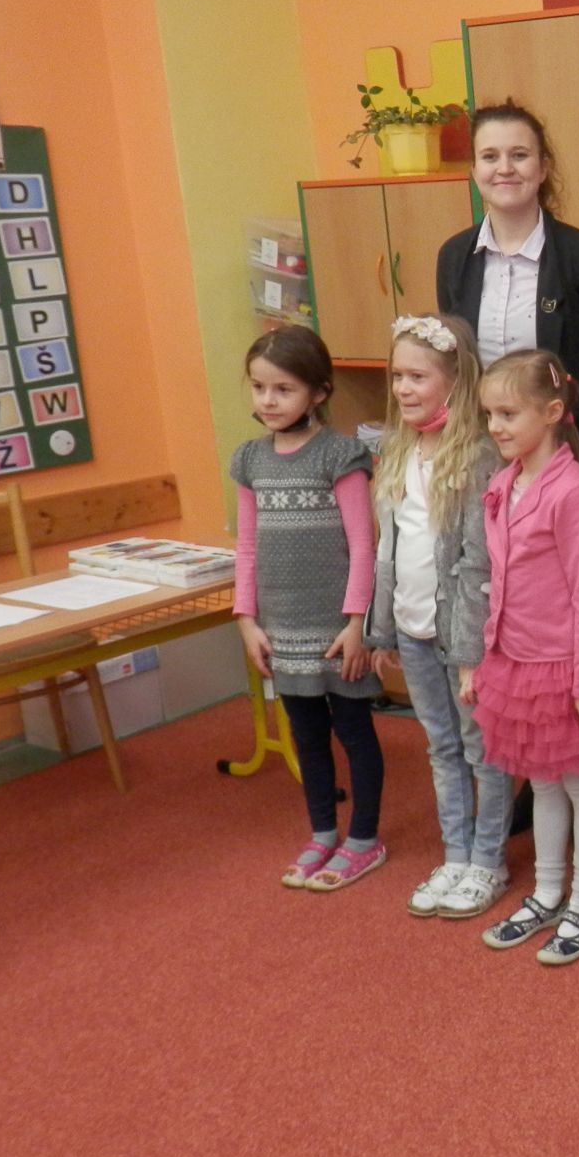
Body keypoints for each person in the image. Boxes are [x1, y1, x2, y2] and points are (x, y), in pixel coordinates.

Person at [470, 349, 579, 964]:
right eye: (490, 415)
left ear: (553, 413)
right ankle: (549, 891)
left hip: (561, 665)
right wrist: (486, 657)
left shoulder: (574, 490)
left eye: (509, 414)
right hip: (515, 660)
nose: (496, 426)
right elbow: (500, 582)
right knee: (543, 783)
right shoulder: (502, 484)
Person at [365, 313, 512, 920]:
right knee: (440, 745)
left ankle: (487, 861)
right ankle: (456, 854)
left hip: (461, 635)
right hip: (412, 628)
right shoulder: (397, 450)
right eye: (397, 376)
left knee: (482, 749)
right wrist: (382, 627)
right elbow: (388, 549)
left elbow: (479, 562)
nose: (403, 388)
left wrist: (472, 651)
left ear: (456, 380)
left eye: (418, 377)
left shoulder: (477, 457)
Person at [231, 324, 386, 891]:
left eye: (284, 389)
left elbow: (363, 545)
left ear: (319, 391)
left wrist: (356, 623)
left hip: (336, 628)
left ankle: (364, 839)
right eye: (259, 388)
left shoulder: (341, 455)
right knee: (306, 733)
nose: (269, 401)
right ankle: (322, 832)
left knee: (353, 730)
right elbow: (247, 548)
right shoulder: (250, 459)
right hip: (280, 626)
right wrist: (247, 620)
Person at [435, 100, 579, 475]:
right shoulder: (453, 257)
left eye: (519, 155)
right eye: (490, 157)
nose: (505, 168)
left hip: (573, 456)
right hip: (485, 455)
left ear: (543, 167)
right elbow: (456, 363)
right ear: (475, 171)